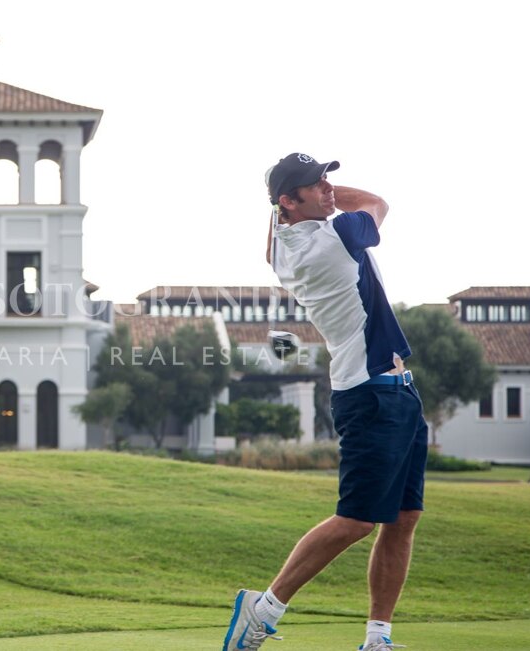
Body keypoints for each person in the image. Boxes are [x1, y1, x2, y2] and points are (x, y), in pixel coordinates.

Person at [222, 154, 429, 651]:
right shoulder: (337, 238)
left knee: (402, 519)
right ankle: (264, 607)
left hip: (394, 391)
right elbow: (378, 202)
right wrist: (331, 200)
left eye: (327, 179)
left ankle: (378, 637)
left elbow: (276, 229)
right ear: (289, 201)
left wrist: (310, 198)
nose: (329, 188)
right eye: (315, 185)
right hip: (372, 393)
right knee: (357, 518)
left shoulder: (281, 248)